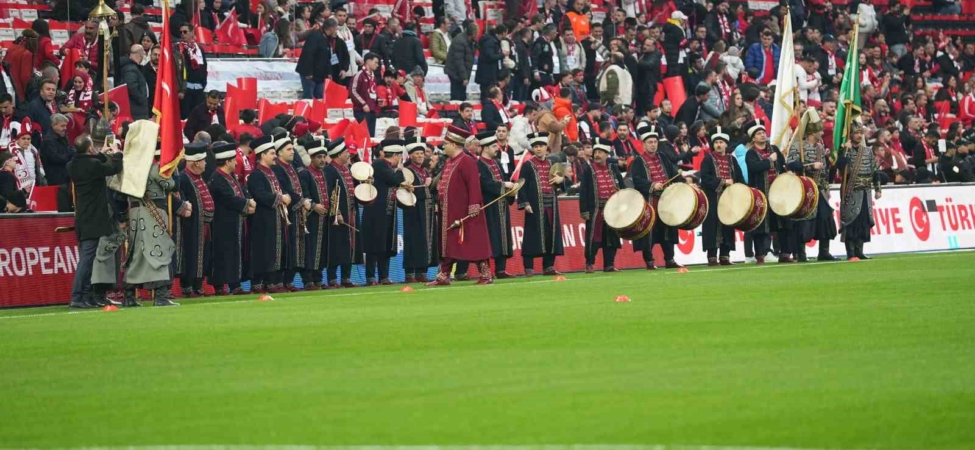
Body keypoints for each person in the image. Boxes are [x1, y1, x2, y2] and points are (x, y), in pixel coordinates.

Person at [426, 126, 493, 286]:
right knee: (448, 244)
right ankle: (444, 275)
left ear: (455, 144)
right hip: (449, 210)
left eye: (446, 143)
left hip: (465, 211)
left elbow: (473, 185)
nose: (443, 146)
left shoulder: (467, 161)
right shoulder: (450, 162)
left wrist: (474, 205)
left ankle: (486, 274)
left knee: (474, 242)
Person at [123, 131, 183, 307]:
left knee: (136, 255)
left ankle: (129, 297)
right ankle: (161, 297)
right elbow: (172, 185)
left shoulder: (130, 169)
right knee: (160, 252)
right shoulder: (156, 169)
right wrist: (174, 168)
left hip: (134, 213)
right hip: (154, 212)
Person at [786, 110, 838, 262]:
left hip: (819, 188)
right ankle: (801, 254)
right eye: (820, 130)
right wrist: (809, 166)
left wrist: (826, 187)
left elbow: (824, 170)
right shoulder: (797, 146)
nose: (822, 132)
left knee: (825, 217)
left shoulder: (820, 148)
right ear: (812, 132)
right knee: (804, 220)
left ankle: (824, 251)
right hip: (803, 188)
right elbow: (790, 164)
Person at [630, 125, 683, 270]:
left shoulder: (663, 157)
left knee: (668, 230)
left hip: (666, 201)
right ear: (643, 144)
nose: (653, 144)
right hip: (649, 202)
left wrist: (685, 185)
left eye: (655, 142)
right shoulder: (638, 161)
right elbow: (637, 180)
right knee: (649, 232)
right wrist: (652, 185)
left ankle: (670, 259)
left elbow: (674, 174)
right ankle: (649, 261)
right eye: (650, 142)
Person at [208, 142, 255, 295]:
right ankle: (220, 286)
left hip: (235, 222)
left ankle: (235, 285)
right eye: (234, 160)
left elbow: (240, 192)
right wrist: (248, 203)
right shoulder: (217, 178)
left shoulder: (230, 176)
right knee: (223, 254)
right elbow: (230, 198)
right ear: (227, 161)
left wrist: (248, 201)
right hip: (223, 224)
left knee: (235, 253)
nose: (236, 162)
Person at [362, 139, 408, 285]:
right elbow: (394, 180)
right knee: (374, 245)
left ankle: (384, 276)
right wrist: (400, 170)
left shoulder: (385, 166)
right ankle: (370, 276)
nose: (399, 160)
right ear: (395, 155)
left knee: (386, 245)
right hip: (376, 212)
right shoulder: (380, 164)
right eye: (399, 157)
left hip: (387, 212)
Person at [518, 132, 565, 276]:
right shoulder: (528, 165)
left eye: (541, 146)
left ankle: (549, 266)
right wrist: (525, 203)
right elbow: (522, 185)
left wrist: (560, 181)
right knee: (532, 236)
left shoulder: (553, 164)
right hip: (535, 205)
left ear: (546, 147)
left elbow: (561, 186)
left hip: (552, 205)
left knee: (551, 235)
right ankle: (529, 267)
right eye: (536, 146)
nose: (538, 149)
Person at [247, 134, 289, 294]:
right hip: (263, 220)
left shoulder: (271, 173)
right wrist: (280, 198)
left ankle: (272, 282)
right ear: (262, 155)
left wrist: (285, 196)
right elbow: (260, 195)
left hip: (276, 218)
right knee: (263, 251)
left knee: (275, 249)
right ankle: (259, 283)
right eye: (272, 153)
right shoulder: (256, 175)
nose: (275, 156)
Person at [744, 119, 789, 264]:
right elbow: (754, 168)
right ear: (753, 137)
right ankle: (762, 253)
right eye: (759, 133)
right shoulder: (750, 153)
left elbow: (783, 167)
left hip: (777, 193)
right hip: (761, 194)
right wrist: (769, 161)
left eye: (763, 132)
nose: (762, 135)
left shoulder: (774, 149)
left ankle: (784, 252)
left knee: (781, 223)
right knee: (762, 225)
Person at [837, 121, 882, 261]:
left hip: (865, 191)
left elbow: (875, 170)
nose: (858, 135)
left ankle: (860, 250)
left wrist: (878, 189)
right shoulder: (844, 149)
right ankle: (851, 253)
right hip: (851, 190)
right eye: (856, 133)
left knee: (863, 222)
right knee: (850, 222)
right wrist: (846, 150)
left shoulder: (868, 151)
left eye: (860, 133)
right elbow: (839, 166)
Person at [699, 127, 744, 266]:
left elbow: (740, 178)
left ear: (726, 144)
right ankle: (712, 257)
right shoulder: (708, 159)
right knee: (712, 226)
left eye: (721, 142)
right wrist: (723, 182)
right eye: (716, 142)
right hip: (712, 198)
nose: (718, 144)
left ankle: (725, 255)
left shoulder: (732, 160)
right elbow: (705, 178)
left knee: (727, 226)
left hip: (729, 199)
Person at [579, 137, 624, 273]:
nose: (597, 155)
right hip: (595, 210)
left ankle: (609, 264)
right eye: (596, 152)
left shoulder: (614, 169)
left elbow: (622, 188)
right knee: (594, 237)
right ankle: (590, 263)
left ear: (607, 154)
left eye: (600, 152)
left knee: (612, 239)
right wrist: (584, 210)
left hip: (612, 210)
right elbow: (584, 191)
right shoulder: (588, 170)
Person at [272, 133, 310, 291]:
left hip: (297, 213)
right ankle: (280, 281)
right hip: (286, 213)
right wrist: (301, 201)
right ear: (279, 152)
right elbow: (285, 190)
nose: (292, 152)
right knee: (287, 247)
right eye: (288, 149)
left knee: (297, 248)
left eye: (292, 149)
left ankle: (289, 280)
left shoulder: (292, 167)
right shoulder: (277, 169)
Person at [476, 131, 516, 279]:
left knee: (503, 237)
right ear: (485, 148)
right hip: (489, 207)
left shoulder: (497, 163)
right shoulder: (479, 165)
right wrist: (503, 184)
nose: (496, 148)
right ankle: (486, 271)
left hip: (502, 205)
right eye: (493, 146)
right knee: (490, 238)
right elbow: (484, 184)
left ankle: (501, 270)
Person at [324, 138, 363, 287]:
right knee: (336, 246)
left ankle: (346, 278)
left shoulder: (346, 169)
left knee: (350, 246)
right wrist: (336, 212)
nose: (348, 154)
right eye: (346, 152)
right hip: (339, 215)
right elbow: (329, 193)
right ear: (339, 154)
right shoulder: (330, 170)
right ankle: (332, 278)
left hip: (351, 212)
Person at [177, 143, 214, 298]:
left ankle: (198, 286)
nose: (206, 164)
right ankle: (188, 287)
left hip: (204, 225)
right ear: (197, 162)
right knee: (190, 255)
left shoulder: (199, 178)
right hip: (191, 226)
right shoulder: (184, 178)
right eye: (204, 161)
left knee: (202, 256)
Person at [402, 135, 437, 283]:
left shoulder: (425, 171)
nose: (420, 156)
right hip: (414, 211)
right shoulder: (406, 171)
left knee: (427, 241)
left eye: (422, 154)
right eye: (417, 154)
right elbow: (408, 191)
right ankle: (410, 273)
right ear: (410, 155)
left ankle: (422, 271)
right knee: (414, 240)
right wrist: (426, 186)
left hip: (427, 210)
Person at [297, 138, 331, 290]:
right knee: (310, 249)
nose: (322, 160)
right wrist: (313, 205)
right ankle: (308, 280)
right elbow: (303, 194)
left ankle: (318, 279)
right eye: (319, 157)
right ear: (311, 158)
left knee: (322, 249)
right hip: (310, 217)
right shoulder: (305, 174)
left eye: (324, 157)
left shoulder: (324, 174)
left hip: (324, 217)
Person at [177, 23, 208, 120]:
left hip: (198, 88)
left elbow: (204, 67)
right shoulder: (177, 49)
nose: (182, 34)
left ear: (192, 33)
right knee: (184, 116)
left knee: (199, 117)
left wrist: (203, 84)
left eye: (185, 32)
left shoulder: (199, 49)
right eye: (181, 32)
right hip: (185, 89)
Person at [295, 16, 331, 99]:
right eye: (336, 28)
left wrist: (328, 72)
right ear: (331, 28)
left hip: (320, 74)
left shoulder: (327, 38)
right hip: (310, 74)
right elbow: (308, 54)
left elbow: (327, 57)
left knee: (320, 98)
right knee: (308, 98)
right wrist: (308, 72)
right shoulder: (315, 36)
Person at [445, 22, 476, 101]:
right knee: (456, 97)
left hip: (461, 74)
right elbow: (459, 61)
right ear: (473, 33)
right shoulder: (460, 41)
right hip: (455, 73)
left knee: (462, 97)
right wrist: (464, 77)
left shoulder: (469, 41)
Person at [40, 114, 73, 186]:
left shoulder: (63, 136)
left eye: (65, 126)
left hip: (65, 175)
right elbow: (56, 158)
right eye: (62, 126)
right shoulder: (48, 141)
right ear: (54, 125)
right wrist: (70, 154)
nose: (65, 128)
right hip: (56, 178)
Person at [351, 53, 380, 136]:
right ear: (368, 62)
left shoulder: (373, 77)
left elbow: (372, 92)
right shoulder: (359, 75)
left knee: (371, 138)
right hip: (361, 111)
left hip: (372, 111)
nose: (377, 65)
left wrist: (378, 100)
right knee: (363, 138)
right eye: (376, 62)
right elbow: (353, 91)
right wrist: (363, 104)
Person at [120, 45, 151, 120]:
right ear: (141, 54)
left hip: (136, 108)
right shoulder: (131, 68)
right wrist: (141, 100)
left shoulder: (131, 67)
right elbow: (131, 87)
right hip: (136, 110)